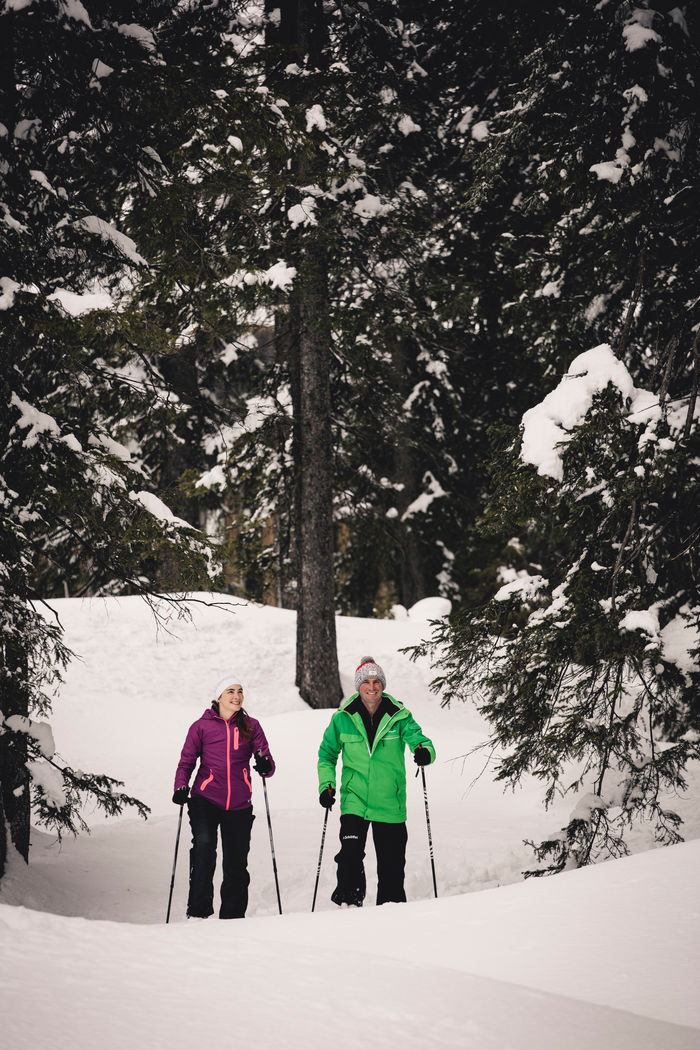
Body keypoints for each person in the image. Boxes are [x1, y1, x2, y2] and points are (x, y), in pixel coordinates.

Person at [317, 655, 435, 907]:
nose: (372, 687)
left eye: (376, 681)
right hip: (354, 800)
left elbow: (420, 739)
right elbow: (326, 755)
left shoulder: (399, 716)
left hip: (389, 802)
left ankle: (390, 916)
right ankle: (350, 906)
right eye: (366, 682)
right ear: (358, 686)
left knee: (392, 868)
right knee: (349, 858)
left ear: (382, 684)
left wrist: (423, 751)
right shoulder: (343, 718)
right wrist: (326, 785)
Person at [172, 674, 275, 919]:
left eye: (240, 691)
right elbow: (186, 762)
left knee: (236, 863)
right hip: (205, 799)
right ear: (218, 697)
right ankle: (198, 912)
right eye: (230, 691)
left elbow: (268, 764)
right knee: (204, 848)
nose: (237, 696)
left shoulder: (252, 725)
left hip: (239, 803)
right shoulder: (201, 726)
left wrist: (264, 764)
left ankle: (232, 917)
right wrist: (180, 786)